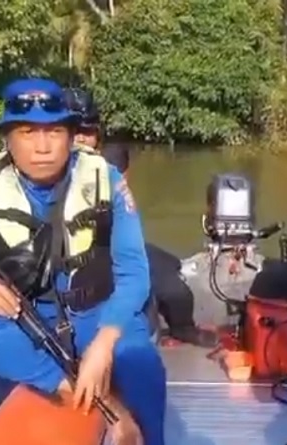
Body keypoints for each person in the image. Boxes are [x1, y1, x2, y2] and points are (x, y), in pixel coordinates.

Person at [0, 78, 165, 445]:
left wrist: (104, 343)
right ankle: (94, 397)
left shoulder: (107, 179)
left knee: (144, 368)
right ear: (7, 138)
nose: (42, 146)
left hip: (96, 312)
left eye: (54, 131)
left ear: (72, 135)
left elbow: (134, 271)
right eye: (27, 132)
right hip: (25, 315)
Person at [63, 87, 217, 347]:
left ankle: (174, 327)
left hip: (110, 251)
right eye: (73, 130)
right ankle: (176, 328)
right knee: (169, 285)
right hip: (74, 270)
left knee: (170, 268)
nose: (80, 139)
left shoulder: (108, 174)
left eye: (87, 131)